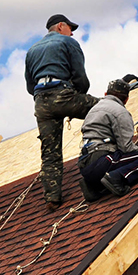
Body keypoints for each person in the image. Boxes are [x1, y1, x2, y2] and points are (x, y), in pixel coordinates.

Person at [25, 14, 99, 211]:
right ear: (60, 26)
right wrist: (75, 99)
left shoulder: (32, 50)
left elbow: (29, 85)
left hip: (41, 103)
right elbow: (80, 76)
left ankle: (52, 198)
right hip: (62, 94)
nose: (72, 32)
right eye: (70, 28)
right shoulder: (67, 42)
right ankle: (113, 153)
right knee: (104, 108)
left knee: (50, 153)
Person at [78, 78, 138, 201]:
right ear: (126, 99)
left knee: (118, 161)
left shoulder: (93, 110)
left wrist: (136, 148)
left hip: (85, 164)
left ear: (106, 94)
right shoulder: (120, 112)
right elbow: (126, 147)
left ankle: (93, 185)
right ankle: (116, 177)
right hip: (103, 159)